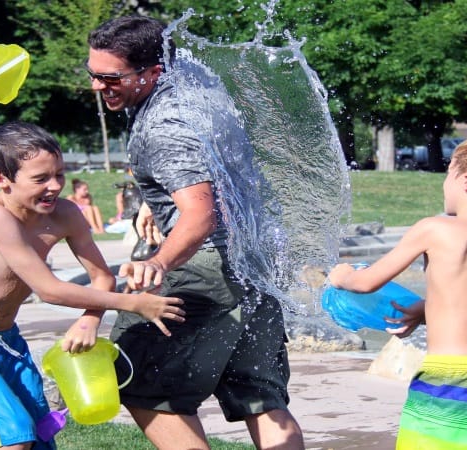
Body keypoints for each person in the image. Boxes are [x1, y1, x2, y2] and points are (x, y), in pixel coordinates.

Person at [87, 16, 304, 450]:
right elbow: (211, 168)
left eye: (111, 78)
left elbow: (199, 214)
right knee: (259, 396)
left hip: (202, 265)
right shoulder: (198, 87)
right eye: (93, 74)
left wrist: (159, 260)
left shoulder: (164, 126)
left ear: (152, 72)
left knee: (140, 383)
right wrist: (155, 197)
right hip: (256, 263)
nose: (97, 86)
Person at [0, 121, 185, 450]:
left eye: (59, 174)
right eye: (40, 179)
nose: (54, 186)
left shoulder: (65, 215)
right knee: (13, 434)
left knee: (41, 435)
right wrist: (134, 303)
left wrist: (90, 318)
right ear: (0, 180)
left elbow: (102, 276)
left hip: (8, 341)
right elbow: (48, 289)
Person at [328, 134, 467, 449]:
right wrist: (428, 309)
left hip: (451, 376)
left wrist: (341, 276)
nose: (444, 184)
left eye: (447, 175)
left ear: (466, 181)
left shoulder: (435, 229)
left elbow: (367, 282)